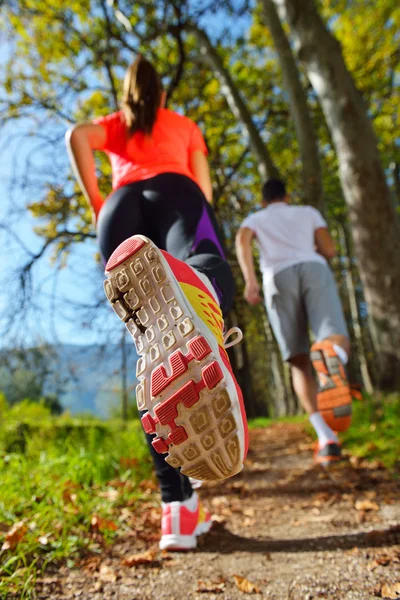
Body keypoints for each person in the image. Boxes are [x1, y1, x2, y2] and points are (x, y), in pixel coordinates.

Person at [65, 55, 248, 550]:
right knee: (207, 258)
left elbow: (77, 137)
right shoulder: (183, 125)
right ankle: (201, 292)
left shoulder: (117, 126)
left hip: (119, 211)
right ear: (162, 95)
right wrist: (198, 208)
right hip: (177, 193)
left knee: (156, 356)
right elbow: (203, 185)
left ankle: (178, 515)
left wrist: (97, 202)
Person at [235, 178, 352, 466]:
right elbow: (330, 249)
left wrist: (251, 281)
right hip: (314, 269)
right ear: (286, 196)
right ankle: (332, 357)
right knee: (332, 335)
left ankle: (327, 439)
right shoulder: (308, 212)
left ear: (263, 200)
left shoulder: (256, 218)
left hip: (278, 276)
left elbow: (242, 239)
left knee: (298, 359)